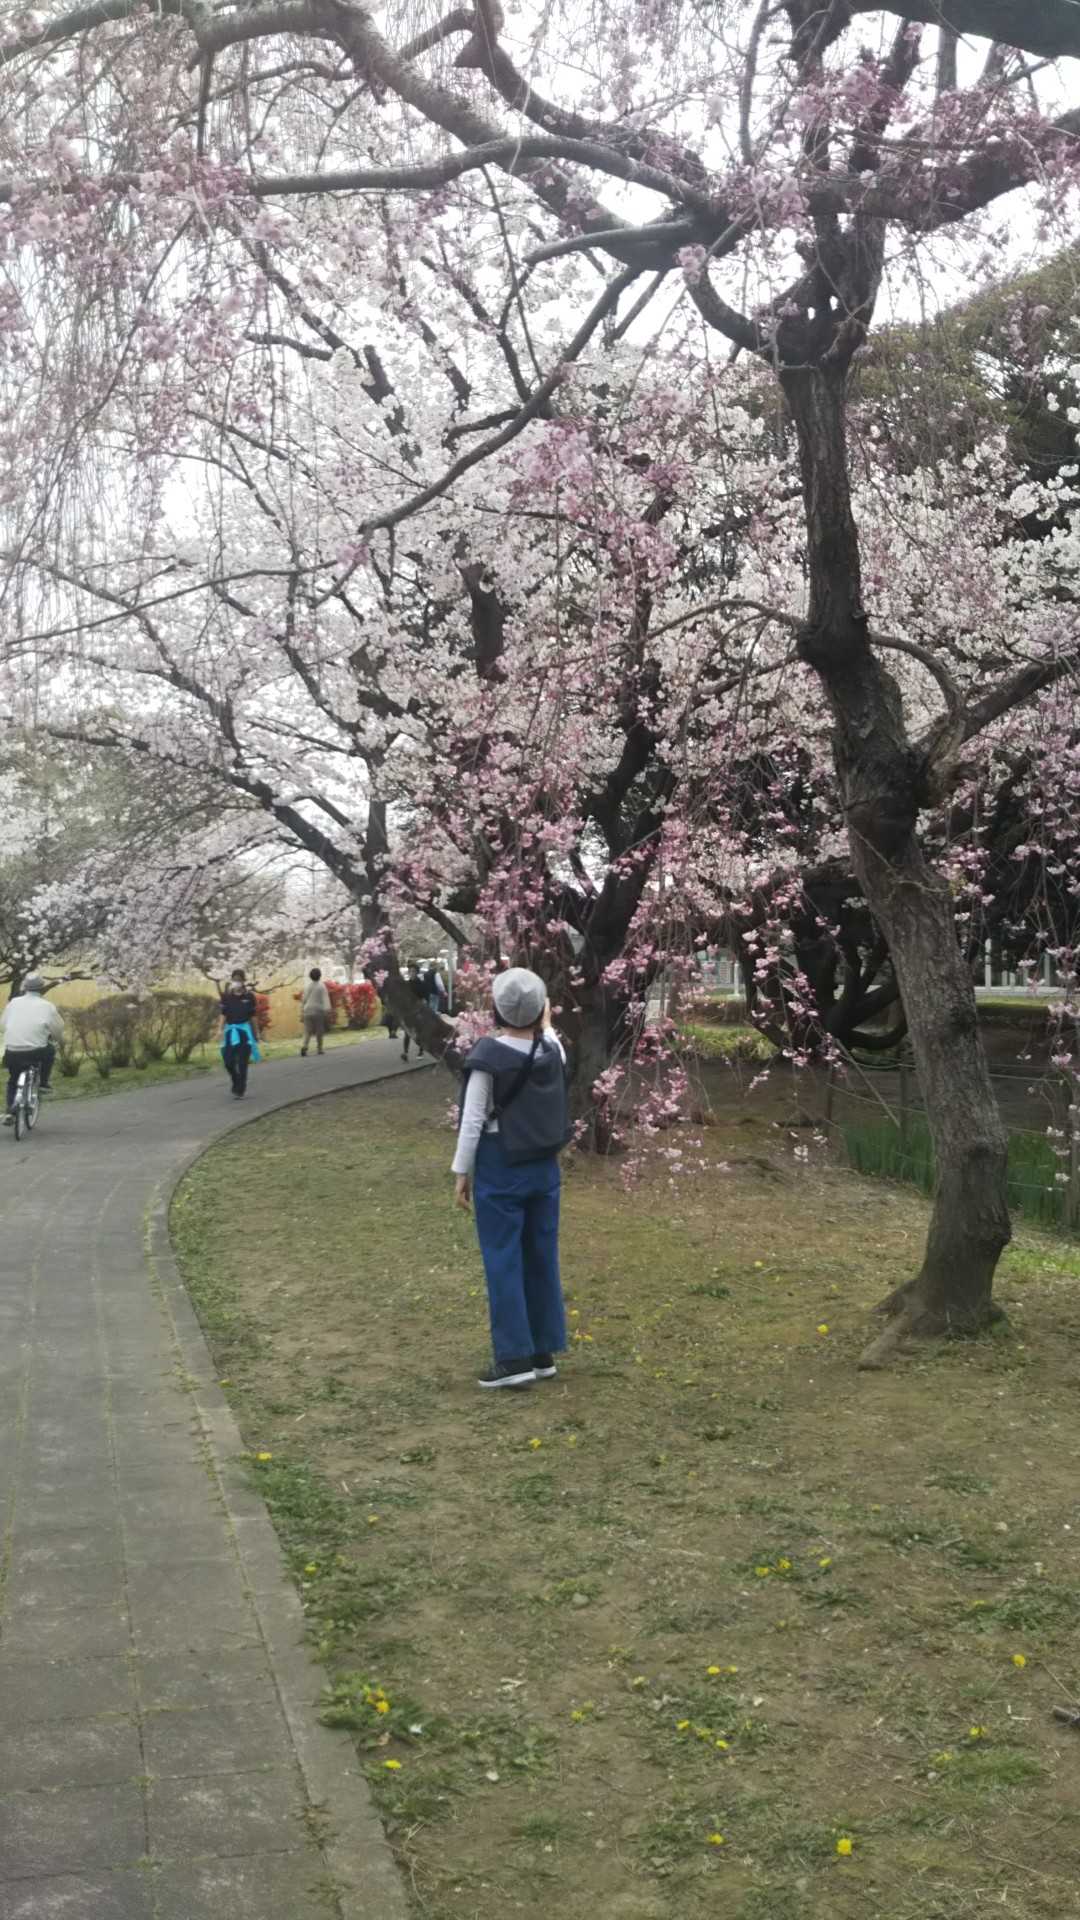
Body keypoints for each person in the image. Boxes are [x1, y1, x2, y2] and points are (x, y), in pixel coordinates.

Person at [453, 967, 571, 1389]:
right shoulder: (552, 1051)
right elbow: (551, 1037)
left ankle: (513, 1358)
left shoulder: (487, 1057)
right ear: (541, 1010)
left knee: (503, 1259)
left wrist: (462, 1171)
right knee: (541, 1256)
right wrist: (545, 1022)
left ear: (496, 1010)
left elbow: (472, 1120)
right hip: (544, 1168)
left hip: (501, 1167)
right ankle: (543, 1351)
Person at [2, 974, 64, 1125]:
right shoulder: (47, 1006)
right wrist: (58, 1039)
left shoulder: (13, 1003)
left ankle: (10, 1112)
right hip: (36, 1051)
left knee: (13, 1080)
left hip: (12, 1052)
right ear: (41, 988)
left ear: (25, 987)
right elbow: (58, 1028)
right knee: (50, 1050)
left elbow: (2, 1025)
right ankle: (43, 1083)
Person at [219, 967, 260, 1097]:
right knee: (228, 1061)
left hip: (244, 1032)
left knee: (242, 1062)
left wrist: (256, 1032)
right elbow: (223, 1014)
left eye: (239, 980)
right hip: (230, 1032)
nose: (236, 982)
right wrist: (219, 1029)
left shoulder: (249, 997)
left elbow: (253, 1016)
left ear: (243, 981)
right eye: (234, 980)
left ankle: (240, 1089)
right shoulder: (226, 997)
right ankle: (235, 1079)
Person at [299, 967, 332, 1056]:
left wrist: (301, 1011)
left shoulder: (308, 986)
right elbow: (325, 998)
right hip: (318, 1010)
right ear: (320, 976)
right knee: (319, 1030)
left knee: (307, 1030)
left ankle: (304, 1046)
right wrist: (328, 1010)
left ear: (310, 976)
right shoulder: (322, 986)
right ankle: (319, 1049)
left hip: (307, 1010)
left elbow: (304, 999)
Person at [400, 964, 428, 1063]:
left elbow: (424, 998)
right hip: (408, 1011)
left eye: (413, 971)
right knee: (407, 1033)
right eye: (410, 971)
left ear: (417, 973)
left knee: (419, 1033)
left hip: (418, 1011)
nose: (411, 973)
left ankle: (420, 1051)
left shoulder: (421, 984)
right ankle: (405, 1053)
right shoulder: (406, 984)